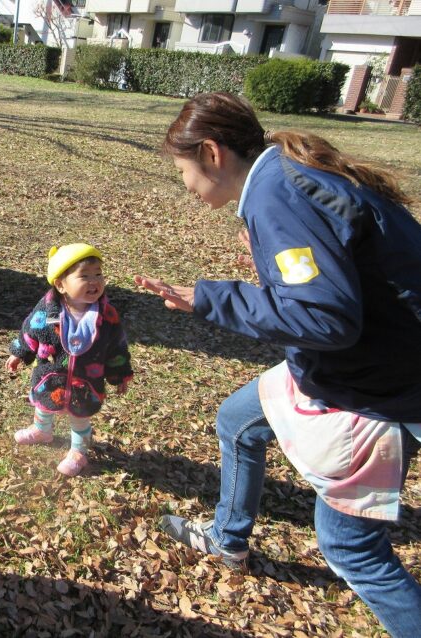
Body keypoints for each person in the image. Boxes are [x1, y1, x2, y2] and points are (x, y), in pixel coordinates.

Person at [137, 91, 421, 637]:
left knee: (351, 550)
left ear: (213, 154)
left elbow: (328, 320)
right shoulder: (282, 176)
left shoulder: (278, 194)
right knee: (238, 420)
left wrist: (211, 298)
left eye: (183, 172)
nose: (186, 187)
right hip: (355, 363)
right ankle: (229, 539)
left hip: (381, 382)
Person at [6, 243, 133, 476]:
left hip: (87, 379)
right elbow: (30, 331)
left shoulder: (107, 316)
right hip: (50, 374)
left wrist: (120, 374)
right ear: (61, 284)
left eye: (98, 274)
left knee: (80, 416)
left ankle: (79, 451)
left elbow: (117, 348)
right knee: (44, 403)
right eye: (84, 276)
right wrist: (19, 352)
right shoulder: (47, 309)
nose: (94, 281)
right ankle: (42, 430)